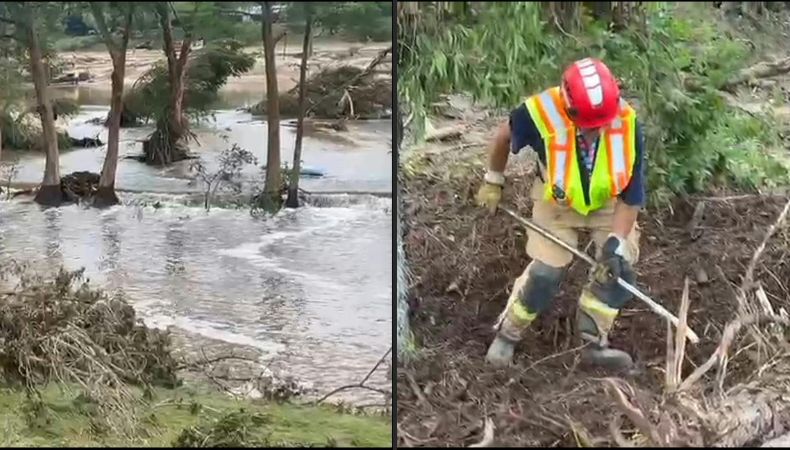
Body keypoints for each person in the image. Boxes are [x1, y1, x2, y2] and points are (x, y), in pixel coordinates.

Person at [475, 57, 646, 371]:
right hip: (557, 201)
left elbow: (631, 195)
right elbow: (502, 136)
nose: (599, 130)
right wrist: (493, 181)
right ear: (570, 111)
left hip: (609, 204)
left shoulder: (627, 122)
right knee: (545, 274)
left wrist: (615, 243)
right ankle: (507, 335)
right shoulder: (540, 113)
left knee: (616, 269)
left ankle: (594, 341)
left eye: (602, 123)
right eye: (592, 125)